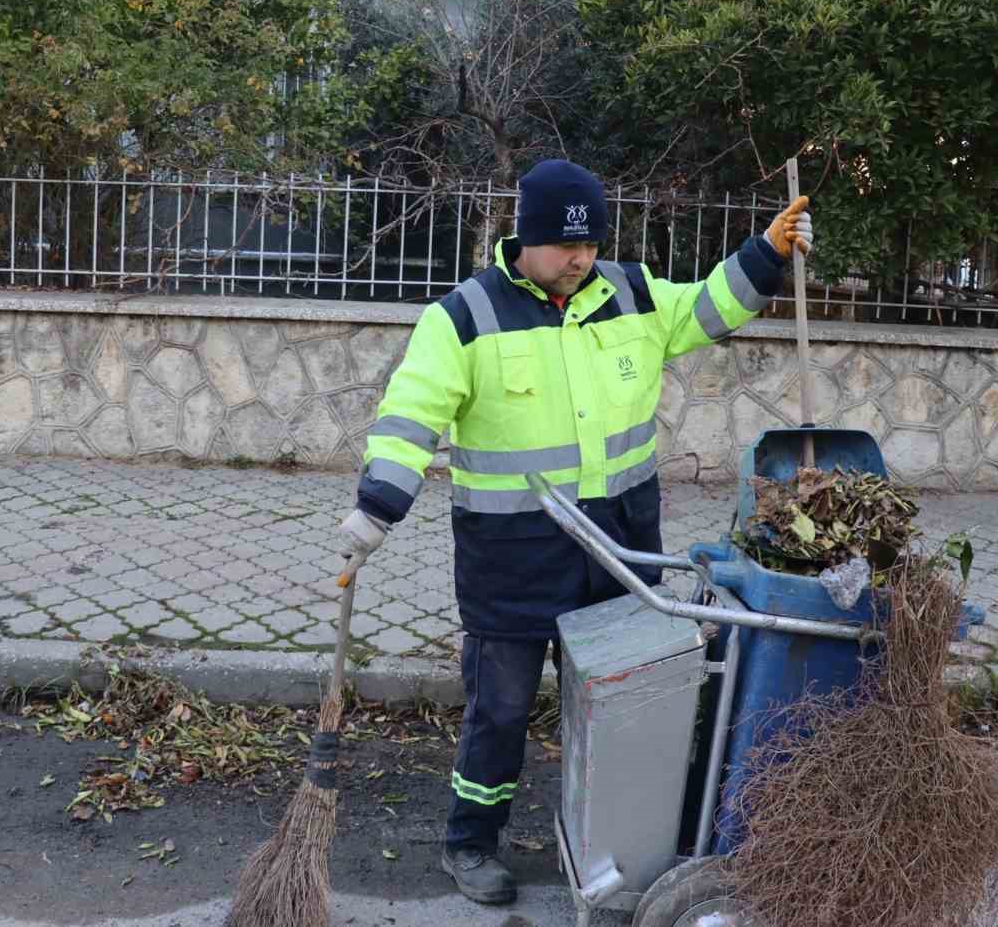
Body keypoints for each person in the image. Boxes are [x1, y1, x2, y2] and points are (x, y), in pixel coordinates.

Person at [336, 159, 812, 905]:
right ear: (526, 238)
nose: (581, 259)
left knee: (627, 709)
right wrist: (376, 508)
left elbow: (709, 307)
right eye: (565, 246)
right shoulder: (465, 318)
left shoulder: (630, 294)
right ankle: (471, 842)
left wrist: (766, 253)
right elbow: (411, 416)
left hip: (616, 553)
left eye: (590, 245)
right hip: (512, 561)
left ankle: (616, 846)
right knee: (499, 710)